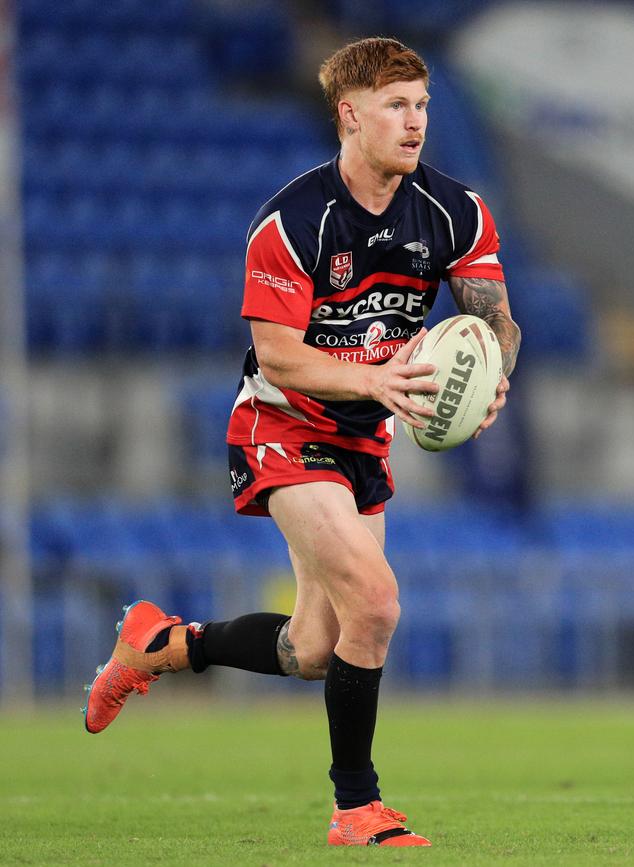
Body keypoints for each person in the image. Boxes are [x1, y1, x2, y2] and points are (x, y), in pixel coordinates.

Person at [83, 37, 521, 847]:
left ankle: (155, 644)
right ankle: (357, 806)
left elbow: (495, 320)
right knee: (379, 600)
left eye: (422, 102)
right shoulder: (293, 220)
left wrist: (493, 379)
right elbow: (279, 353)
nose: (416, 120)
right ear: (349, 115)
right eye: (396, 104)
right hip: (281, 428)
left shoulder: (458, 209)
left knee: (315, 646)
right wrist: (375, 381)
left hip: (362, 442)